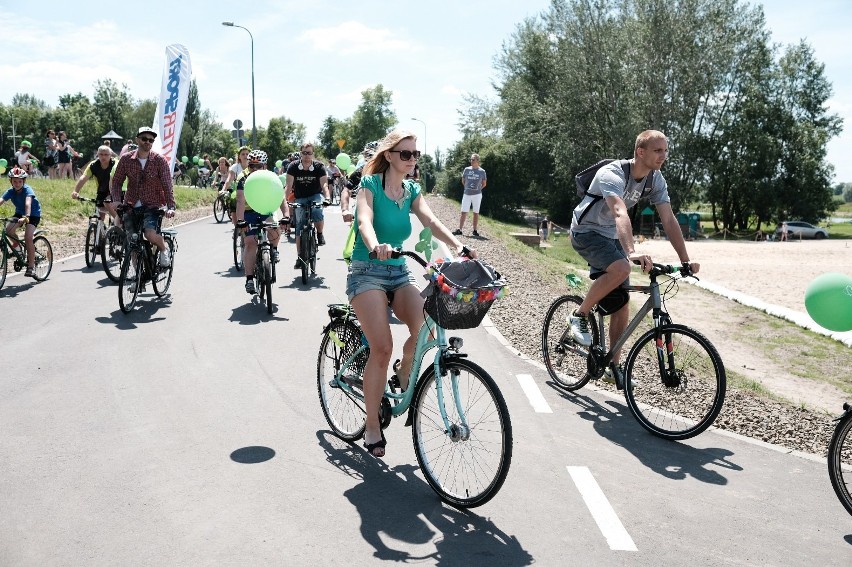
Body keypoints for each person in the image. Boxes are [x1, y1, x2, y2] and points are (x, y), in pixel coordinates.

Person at [347, 129, 475, 458]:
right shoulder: (370, 185)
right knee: (382, 347)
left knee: (427, 326)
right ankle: (372, 425)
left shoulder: (412, 190)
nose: (412, 160)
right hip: (367, 271)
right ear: (389, 155)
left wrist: (458, 245)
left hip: (398, 270)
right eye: (406, 154)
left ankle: (404, 373)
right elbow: (364, 219)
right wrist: (376, 246)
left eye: (415, 154)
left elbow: (430, 220)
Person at [568, 130, 699, 388]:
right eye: (658, 150)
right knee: (621, 268)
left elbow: (669, 219)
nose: (664, 156)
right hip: (586, 232)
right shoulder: (612, 174)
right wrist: (631, 252)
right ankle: (579, 314)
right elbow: (619, 211)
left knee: (622, 303)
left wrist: (685, 260)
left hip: (611, 235)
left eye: (666, 150)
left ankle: (612, 365)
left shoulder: (655, 179)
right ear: (641, 152)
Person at [110, 126, 176, 268]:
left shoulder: (159, 161)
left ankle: (164, 248)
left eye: (151, 140)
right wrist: (116, 200)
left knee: (149, 234)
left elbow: (167, 185)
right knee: (132, 241)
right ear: (137, 140)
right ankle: (137, 278)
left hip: (152, 205)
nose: (148, 142)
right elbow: (116, 182)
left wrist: (170, 206)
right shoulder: (126, 159)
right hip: (131, 205)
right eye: (144, 139)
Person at [235, 149, 282, 294]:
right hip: (248, 212)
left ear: (265, 166)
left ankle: (273, 250)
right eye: (251, 166)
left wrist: (286, 216)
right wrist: (241, 221)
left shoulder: (271, 177)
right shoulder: (243, 179)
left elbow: (280, 198)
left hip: (265, 209)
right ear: (248, 166)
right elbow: (240, 201)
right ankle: (249, 279)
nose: (255, 169)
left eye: (258, 166)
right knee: (250, 243)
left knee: (275, 229)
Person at [285, 142, 329, 269]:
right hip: (300, 197)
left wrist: (326, 198)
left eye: (309, 153)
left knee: (317, 211)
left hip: (315, 195)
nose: (306, 155)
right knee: (299, 227)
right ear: (300, 153)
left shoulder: (319, 166)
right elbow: (288, 186)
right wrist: (284, 200)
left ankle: (320, 234)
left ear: (313, 154)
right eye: (304, 153)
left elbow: (324, 185)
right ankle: (300, 257)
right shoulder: (293, 166)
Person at [0, 167, 42, 277]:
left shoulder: (28, 190)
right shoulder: (10, 191)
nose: (17, 184)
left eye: (20, 181)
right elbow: (1, 200)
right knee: (8, 231)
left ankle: (31, 266)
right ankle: (18, 250)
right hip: (19, 213)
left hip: (32, 214)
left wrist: (26, 217)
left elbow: (28, 203)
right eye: (15, 181)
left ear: (24, 181)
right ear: (11, 181)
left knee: (28, 237)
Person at [71, 145, 118, 221]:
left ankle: (119, 224)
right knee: (100, 216)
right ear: (97, 154)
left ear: (111, 155)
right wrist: (75, 191)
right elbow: (84, 177)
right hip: (101, 191)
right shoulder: (93, 165)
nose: (103, 157)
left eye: (106, 154)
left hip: (115, 191)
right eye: (101, 154)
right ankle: (99, 231)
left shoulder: (115, 164)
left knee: (113, 212)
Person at [340, 141, 379, 224]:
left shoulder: (389, 172)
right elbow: (346, 190)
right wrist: (345, 210)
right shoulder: (360, 171)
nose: (371, 160)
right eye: (368, 156)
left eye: (374, 156)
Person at [454, 153, 487, 237]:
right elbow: (463, 180)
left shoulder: (482, 171)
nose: (471, 161)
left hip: (477, 195)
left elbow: (484, 183)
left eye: (473, 159)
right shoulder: (467, 169)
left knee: (476, 212)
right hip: (467, 194)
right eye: (471, 159)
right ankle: (460, 229)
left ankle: (475, 230)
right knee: (463, 211)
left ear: (477, 161)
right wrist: (467, 188)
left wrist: (478, 189)